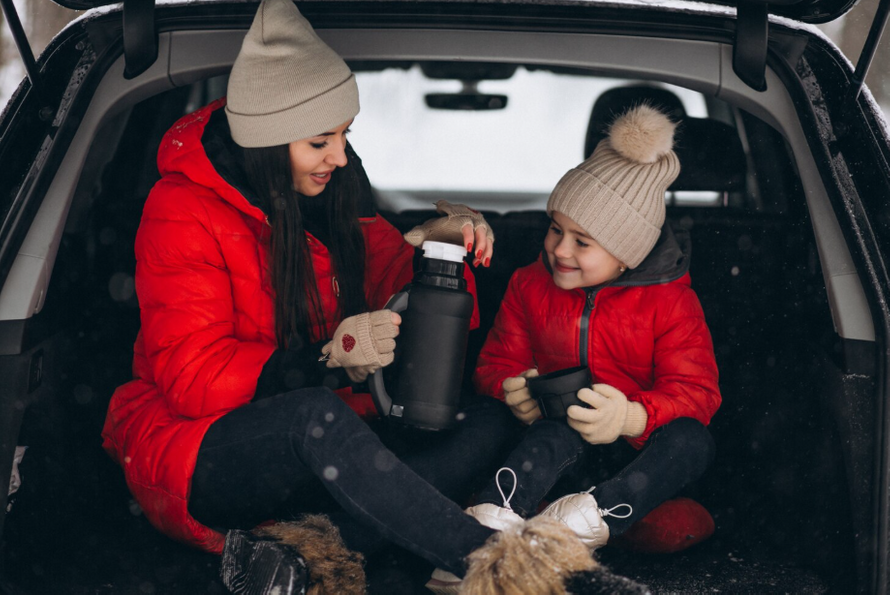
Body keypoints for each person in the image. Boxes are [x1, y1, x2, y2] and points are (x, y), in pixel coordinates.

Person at [100, 0, 600, 592]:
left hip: (319, 457)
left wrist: (441, 253)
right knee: (315, 415)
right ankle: (503, 569)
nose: (339, 157)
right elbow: (191, 378)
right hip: (198, 453)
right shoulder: (181, 212)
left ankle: (309, 556)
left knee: (482, 419)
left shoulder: (333, 199)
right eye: (320, 141)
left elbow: (420, 314)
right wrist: (328, 358)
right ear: (268, 141)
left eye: (344, 136)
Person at [466, 103, 721, 565]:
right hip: (556, 453)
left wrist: (628, 418)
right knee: (551, 435)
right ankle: (488, 530)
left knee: (692, 441)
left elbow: (697, 393)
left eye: (582, 242)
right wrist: (513, 391)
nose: (560, 249)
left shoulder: (671, 301)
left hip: (636, 464)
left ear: (626, 253)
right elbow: (493, 365)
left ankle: (582, 524)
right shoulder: (529, 284)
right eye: (555, 229)